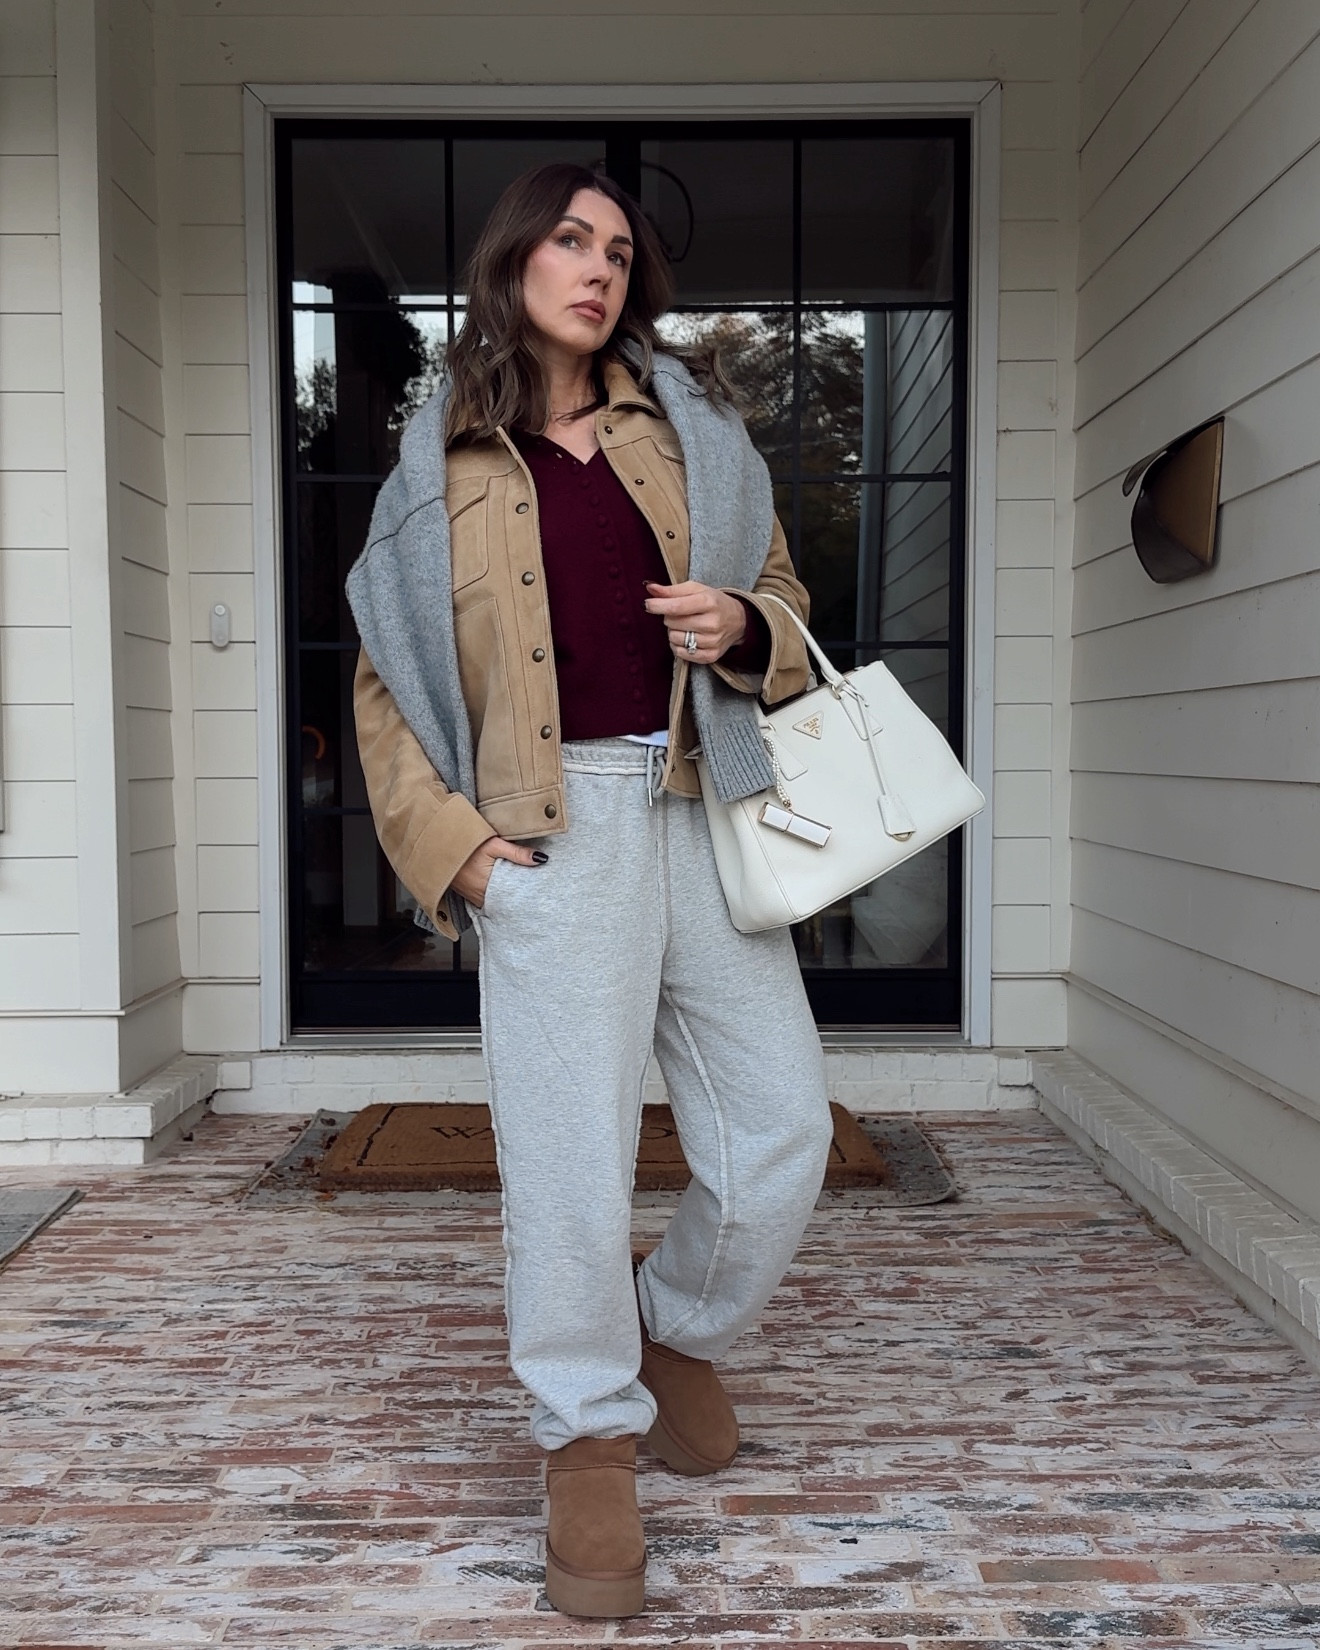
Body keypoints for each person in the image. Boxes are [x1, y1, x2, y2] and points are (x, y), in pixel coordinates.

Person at [347, 162, 833, 1619]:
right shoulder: (436, 467)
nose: (600, 266)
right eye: (572, 238)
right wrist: (466, 854)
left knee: (782, 1122)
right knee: (566, 1157)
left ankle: (672, 1324)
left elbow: (791, 605)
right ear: (515, 262)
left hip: (698, 803)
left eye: (620, 248)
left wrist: (745, 621)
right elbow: (387, 687)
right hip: (548, 835)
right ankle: (586, 1440)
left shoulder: (694, 432)